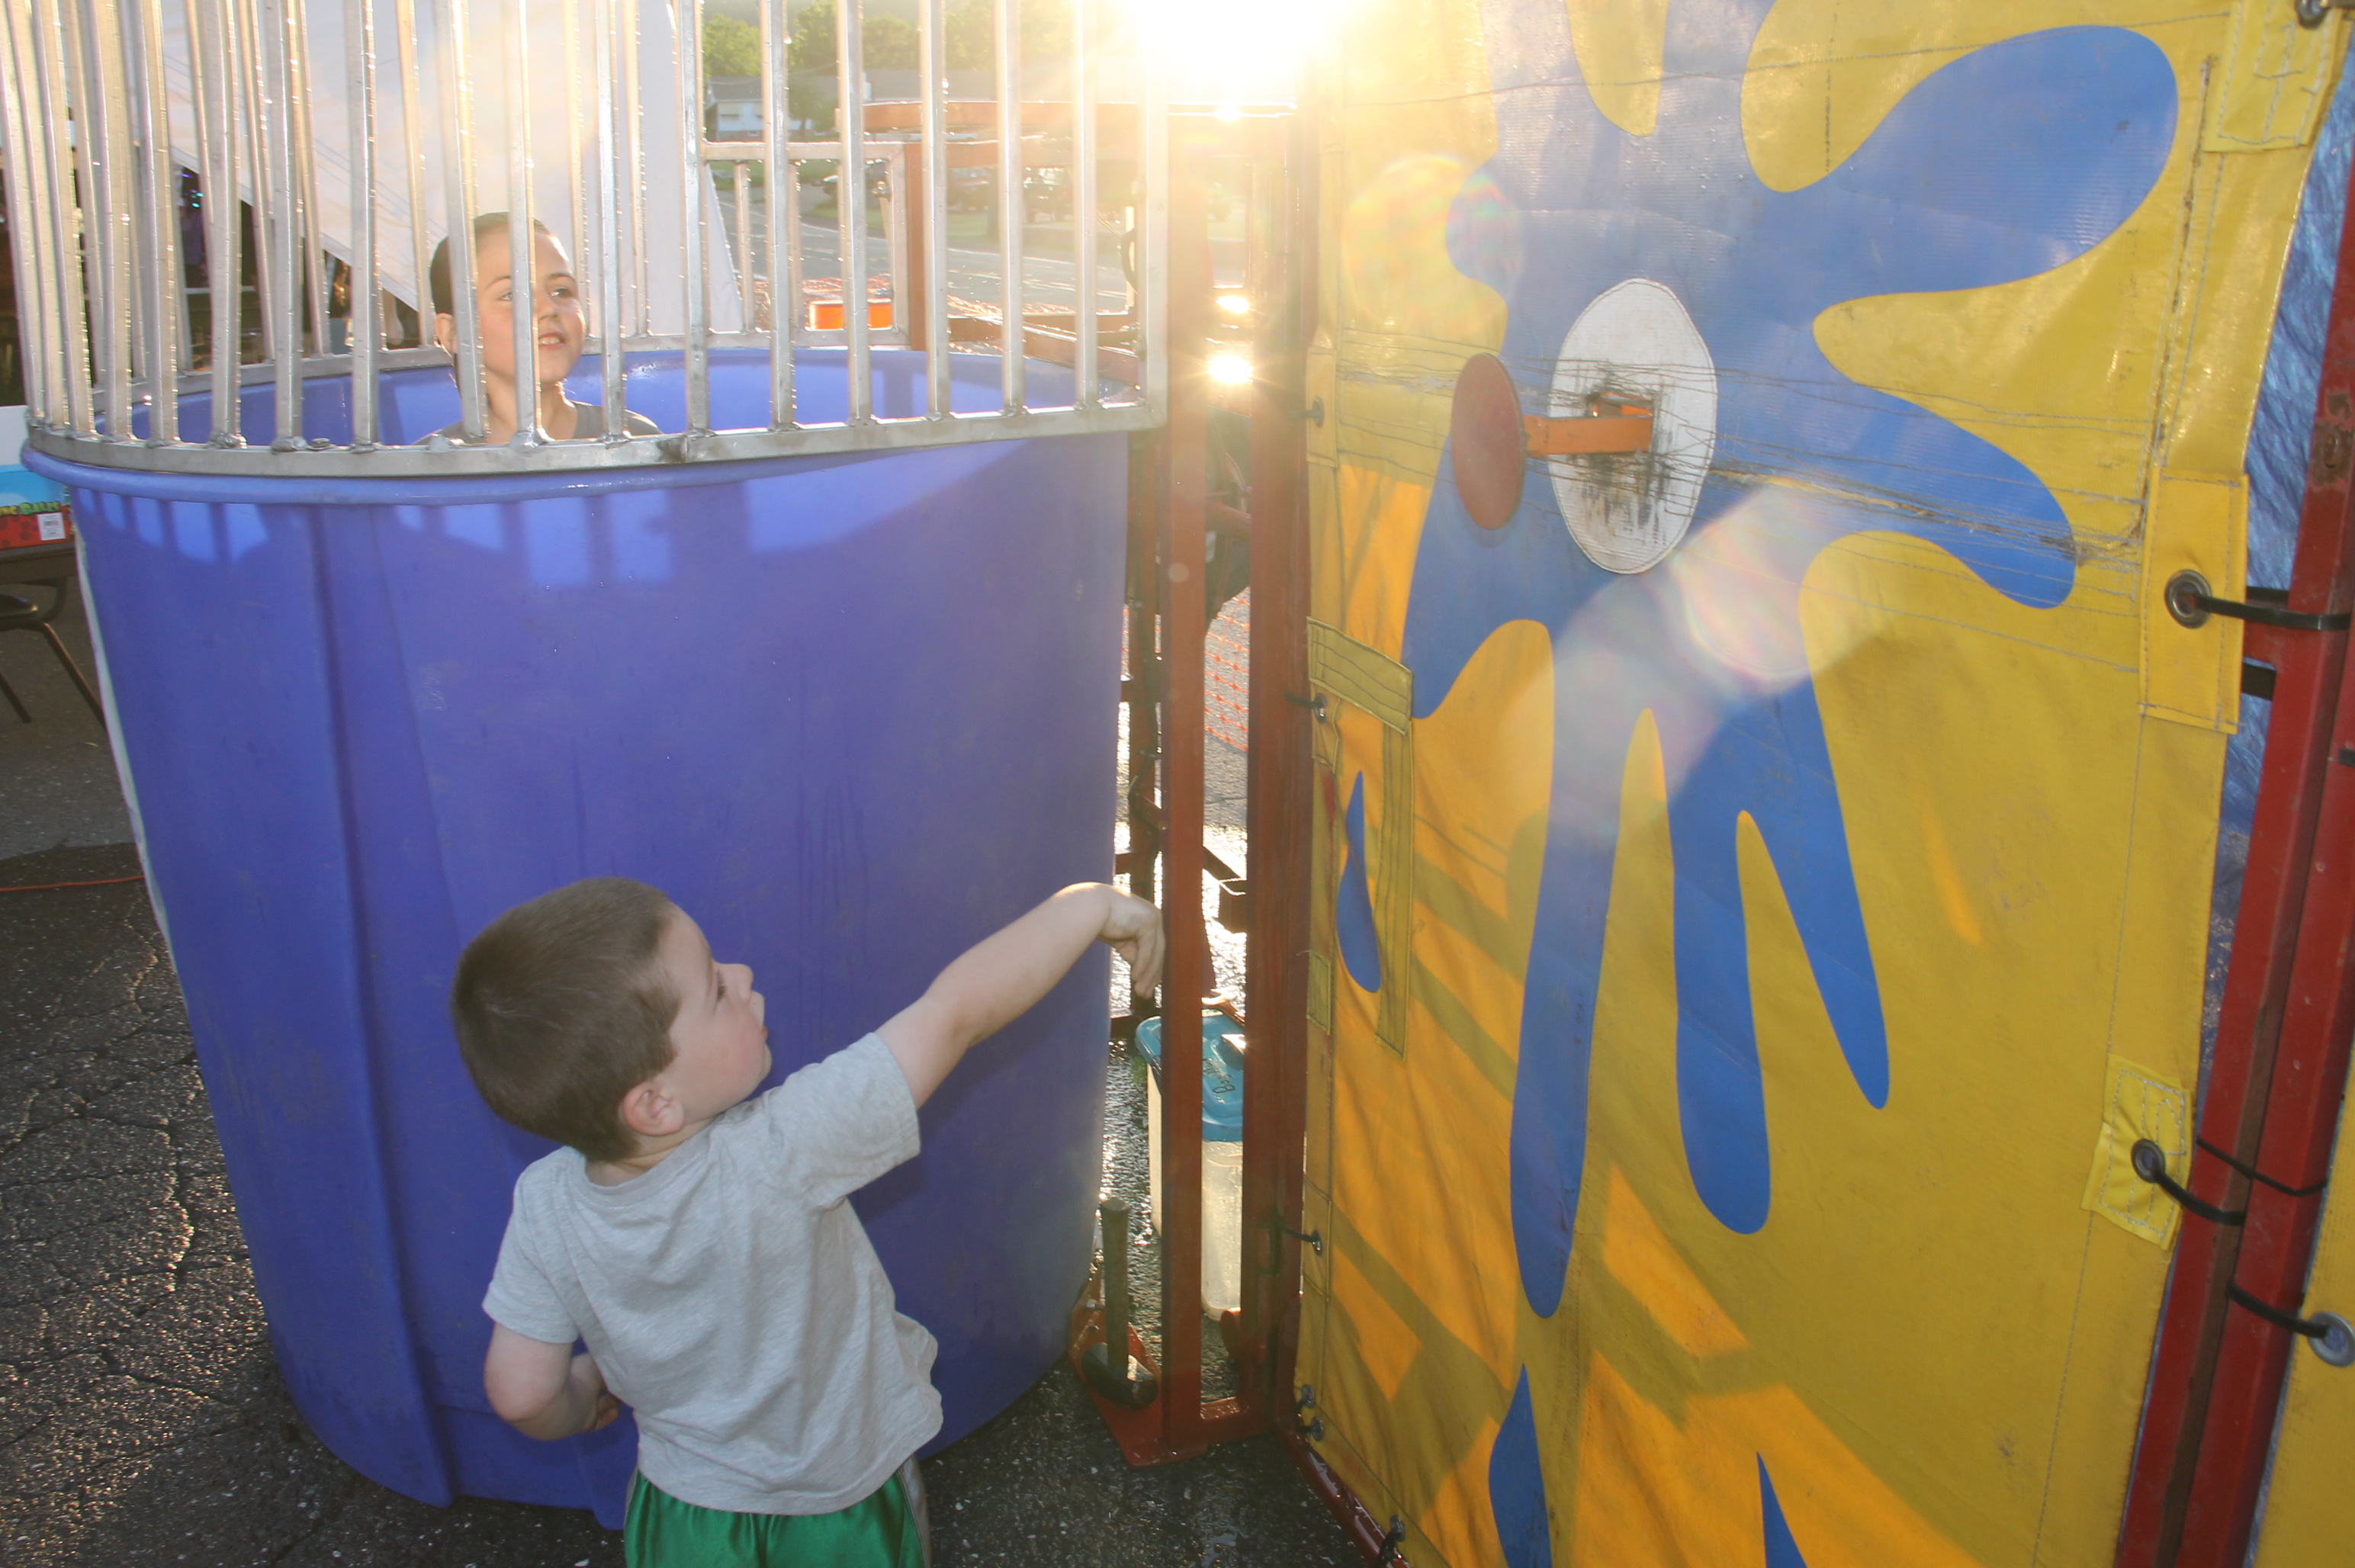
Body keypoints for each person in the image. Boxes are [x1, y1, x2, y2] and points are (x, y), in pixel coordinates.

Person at [449, 876, 1164, 1566]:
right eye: (715, 989)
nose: (742, 973)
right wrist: (1087, 907)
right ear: (656, 1104)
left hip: (684, 1519)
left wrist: (582, 1398)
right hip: (841, 1504)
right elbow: (954, 1015)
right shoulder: (785, 1147)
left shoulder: (545, 1203)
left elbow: (520, 1392)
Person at [426, 211, 663, 444]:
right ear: (454, 332)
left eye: (561, 291)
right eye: (512, 295)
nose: (549, 307)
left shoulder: (634, 440)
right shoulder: (430, 462)